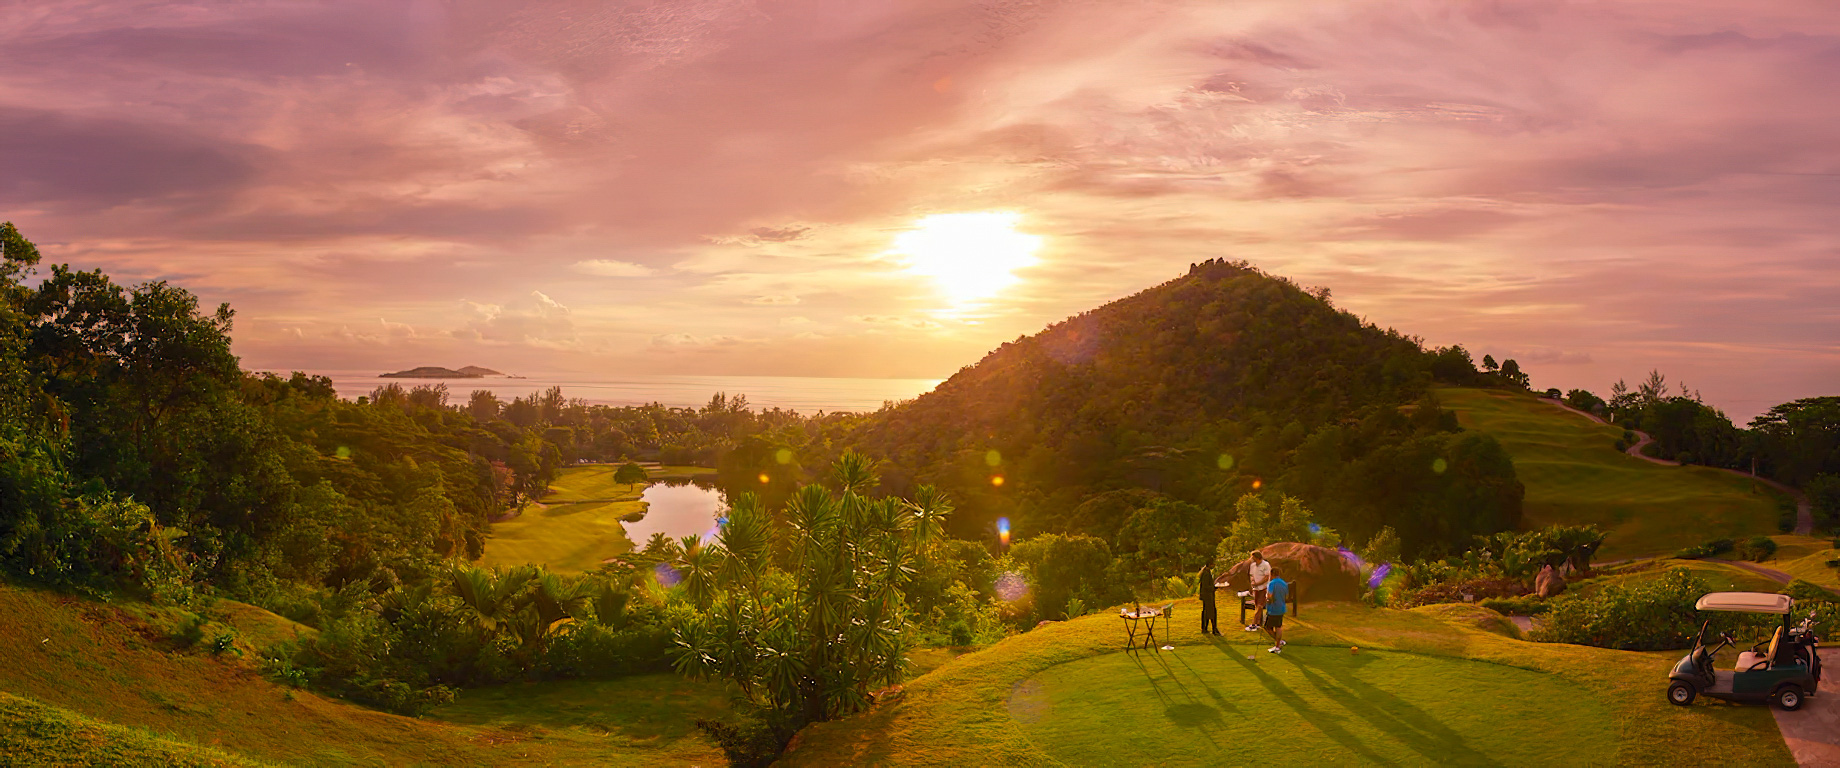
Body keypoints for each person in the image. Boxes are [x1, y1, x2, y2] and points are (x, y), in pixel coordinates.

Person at [1243, 551, 1270, 631]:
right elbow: (1251, 576)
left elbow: (1266, 577)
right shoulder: (1253, 565)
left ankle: (1253, 624)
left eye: (1253, 557)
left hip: (1263, 588)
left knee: (1259, 606)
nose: (1252, 559)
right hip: (1256, 589)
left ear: (1257, 557)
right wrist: (1253, 583)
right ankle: (1258, 623)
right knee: (1257, 606)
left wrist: (1257, 583)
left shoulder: (1265, 565)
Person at [1264, 570, 1289, 654]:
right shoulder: (1284, 583)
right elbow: (1286, 596)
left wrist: (1267, 599)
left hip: (1273, 609)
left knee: (1267, 627)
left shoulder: (1271, 583)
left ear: (1272, 574)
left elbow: (1269, 596)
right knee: (1278, 626)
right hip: (1281, 608)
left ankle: (1278, 644)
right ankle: (1278, 643)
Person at [1198, 562, 1220, 635]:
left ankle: (1205, 628)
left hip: (1206, 596)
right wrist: (1214, 587)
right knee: (1212, 612)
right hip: (1208, 596)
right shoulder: (1207, 574)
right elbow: (1206, 586)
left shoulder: (1205, 572)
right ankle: (1214, 629)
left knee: (1206, 612)